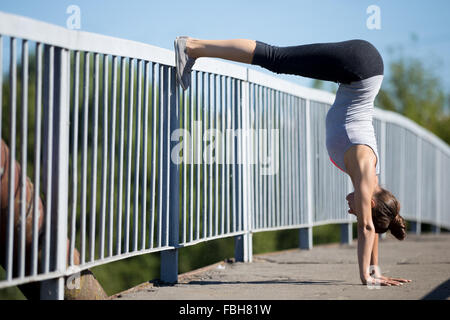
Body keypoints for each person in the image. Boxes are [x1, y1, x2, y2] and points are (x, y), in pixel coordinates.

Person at [174, 36, 412, 287]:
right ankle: (191, 47)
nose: (351, 211)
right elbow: (366, 228)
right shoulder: (364, 170)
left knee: (278, 60)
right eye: (357, 212)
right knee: (276, 58)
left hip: (361, 69)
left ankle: (194, 49)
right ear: (370, 202)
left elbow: (370, 227)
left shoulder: (368, 177)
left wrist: (376, 269)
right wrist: (366, 276)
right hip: (360, 66)